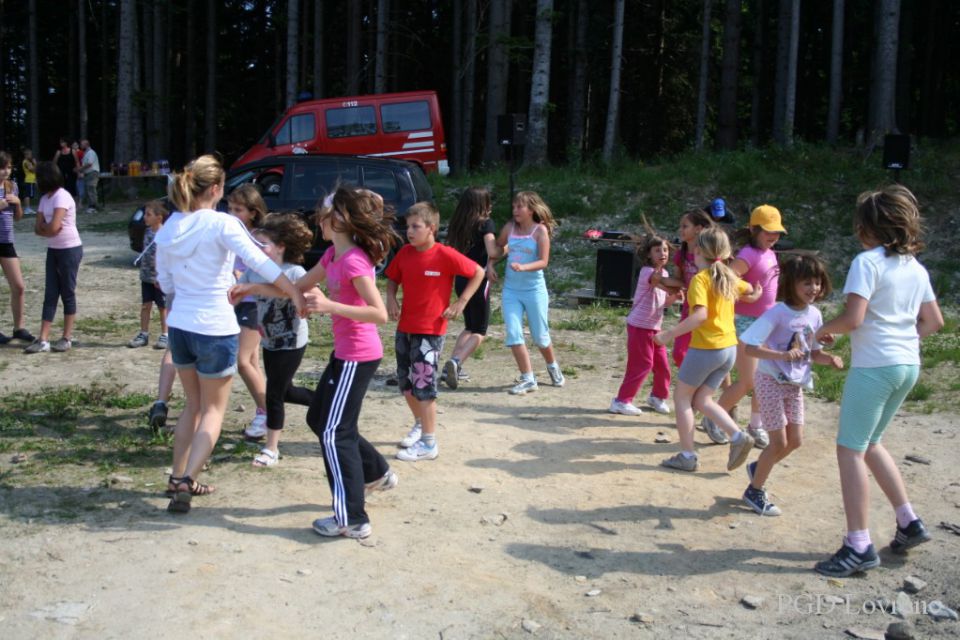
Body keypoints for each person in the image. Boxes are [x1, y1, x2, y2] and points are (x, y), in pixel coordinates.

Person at [156, 155, 305, 514]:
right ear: (218, 189)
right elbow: (262, 263)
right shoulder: (222, 223)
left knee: (192, 406)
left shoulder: (168, 227)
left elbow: (165, 283)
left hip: (180, 326)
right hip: (215, 327)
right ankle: (186, 481)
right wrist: (295, 292)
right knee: (213, 411)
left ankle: (177, 476)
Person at [813, 185, 943, 577]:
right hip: (907, 365)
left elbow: (853, 319)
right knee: (870, 443)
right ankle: (909, 522)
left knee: (849, 450)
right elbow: (934, 322)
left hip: (875, 368)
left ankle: (858, 545)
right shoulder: (915, 269)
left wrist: (819, 333)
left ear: (866, 227)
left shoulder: (866, 262)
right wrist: (900, 341)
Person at [290, 187, 401, 538]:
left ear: (337, 220)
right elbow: (298, 285)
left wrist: (329, 306)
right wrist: (250, 288)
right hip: (344, 355)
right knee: (320, 417)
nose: (317, 220)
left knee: (333, 432)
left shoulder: (353, 259)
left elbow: (379, 314)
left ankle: (352, 519)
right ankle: (376, 471)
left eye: (323, 213)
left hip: (358, 356)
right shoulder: (331, 257)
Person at [739, 254, 843, 516]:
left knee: (795, 441)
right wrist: (781, 356)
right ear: (792, 283)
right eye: (807, 283)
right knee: (777, 442)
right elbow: (751, 348)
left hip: (794, 384)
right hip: (770, 381)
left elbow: (813, 352)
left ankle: (760, 467)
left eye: (817, 282)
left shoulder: (815, 314)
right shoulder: (777, 313)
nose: (814, 288)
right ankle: (755, 491)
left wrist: (828, 358)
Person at [653, 226, 762, 472]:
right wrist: (755, 296)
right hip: (728, 349)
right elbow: (751, 292)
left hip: (706, 348)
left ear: (698, 250)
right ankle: (737, 436)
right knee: (702, 399)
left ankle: (687, 455)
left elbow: (700, 315)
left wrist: (669, 334)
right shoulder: (729, 276)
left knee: (682, 398)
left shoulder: (700, 280)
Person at [386, 201, 485, 461]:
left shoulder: (445, 254)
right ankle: (420, 424)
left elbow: (478, 271)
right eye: (408, 226)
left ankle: (429, 444)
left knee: (424, 385)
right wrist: (391, 298)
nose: (409, 231)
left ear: (431, 228)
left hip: (430, 330)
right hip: (404, 327)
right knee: (406, 383)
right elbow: (392, 278)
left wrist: (461, 302)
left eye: (415, 226)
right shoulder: (405, 253)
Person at [229, 214, 314, 468]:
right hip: (269, 341)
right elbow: (237, 287)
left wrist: (253, 289)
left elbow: (292, 290)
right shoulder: (254, 271)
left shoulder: (294, 271)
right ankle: (324, 400)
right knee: (285, 390)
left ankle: (271, 449)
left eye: (262, 244)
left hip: (292, 342)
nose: (257, 250)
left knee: (274, 393)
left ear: (280, 247)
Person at [704, 205, 787, 449]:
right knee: (749, 380)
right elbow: (725, 283)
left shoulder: (771, 253)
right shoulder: (748, 254)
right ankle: (714, 416)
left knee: (764, 379)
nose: (773, 236)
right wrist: (747, 297)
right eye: (768, 231)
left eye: (777, 232)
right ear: (753, 229)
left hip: (766, 323)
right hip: (745, 323)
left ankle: (756, 425)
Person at [497, 191, 565, 395]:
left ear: (531, 210)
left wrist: (523, 267)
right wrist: (490, 264)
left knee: (540, 336)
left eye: (520, 207)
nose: (515, 210)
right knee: (513, 333)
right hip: (511, 290)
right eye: (514, 206)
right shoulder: (509, 227)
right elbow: (498, 248)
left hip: (534, 290)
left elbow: (544, 261)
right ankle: (528, 378)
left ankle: (552, 366)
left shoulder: (540, 231)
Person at [609, 233, 682, 416]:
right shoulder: (648, 272)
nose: (662, 253)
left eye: (665, 250)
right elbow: (662, 284)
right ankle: (621, 401)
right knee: (642, 364)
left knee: (663, 366)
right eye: (657, 250)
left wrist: (674, 296)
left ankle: (657, 396)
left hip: (654, 327)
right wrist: (684, 284)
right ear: (649, 254)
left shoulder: (664, 273)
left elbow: (663, 302)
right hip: (639, 327)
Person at [441, 187, 502, 389]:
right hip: (478, 279)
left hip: (460, 278)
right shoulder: (485, 224)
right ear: (482, 205)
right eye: (488, 202)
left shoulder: (458, 224)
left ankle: (451, 366)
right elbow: (493, 250)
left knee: (469, 325)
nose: (491, 206)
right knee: (480, 330)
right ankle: (456, 361)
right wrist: (509, 246)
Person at [23, 162, 82, 354]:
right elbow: (38, 228)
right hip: (53, 249)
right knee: (50, 293)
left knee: (67, 292)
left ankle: (66, 337)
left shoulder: (62, 196)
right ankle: (43, 339)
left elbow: (53, 227)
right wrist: (48, 230)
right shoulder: (44, 199)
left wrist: (47, 230)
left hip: (69, 249)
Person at [226, 184, 270, 441]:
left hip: (256, 303)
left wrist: (244, 277)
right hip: (240, 302)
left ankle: (268, 413)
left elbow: (270, 270)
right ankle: (265, 411)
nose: (232, 214)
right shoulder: (233, 234)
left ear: (253, 212)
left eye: (238, 209)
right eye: (230, 208)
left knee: (242, 361)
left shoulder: (259, 238)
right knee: (252, 361)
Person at [656, 209, 715, 369]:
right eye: (680, 226)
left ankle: (721, 388)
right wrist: (660, 280)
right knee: (679, 352)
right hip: (690, 307)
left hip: (711, 308)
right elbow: (680, 281)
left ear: (698, 229)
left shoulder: (710, 252)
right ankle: (693, 384)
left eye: (685, 226)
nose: (680, 230)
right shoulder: (680, 255)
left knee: (714, 354)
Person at [0, 152, 34, 345]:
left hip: (7, 242)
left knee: (19, 286)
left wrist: (18, 204)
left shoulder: (12, 186)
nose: (6, 171)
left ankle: (19, 328)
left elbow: (17, 217)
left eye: (9, 167)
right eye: (2, 167)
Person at [128, 200, 169, 349]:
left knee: (162, 307)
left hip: (159, 278)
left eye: (148, 214)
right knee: (146, 305)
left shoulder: (165, 233)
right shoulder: (147, 232)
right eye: (145, 214)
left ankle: (165, 334)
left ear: (159, 217)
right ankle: (143, 333)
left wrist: (162, 275)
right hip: (146, 276)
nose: (145, 217)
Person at [78, 139, 101, 212]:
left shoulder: (91, 152)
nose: (81, 146)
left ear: (86, 145)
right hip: (87, 173)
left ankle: (94, 206)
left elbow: (89, 163)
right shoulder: (86, 153)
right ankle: (91, 205)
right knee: (88, 189)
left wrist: (80, 168)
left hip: (92, 172)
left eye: (82, 144)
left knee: (91, 188)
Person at [20, 148, 37, 214]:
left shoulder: (28, 161)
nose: (31, 156)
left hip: (31, 180)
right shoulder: (26, 162)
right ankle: (27, 209)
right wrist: (35, 164)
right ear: (26, 155)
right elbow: (32, 170)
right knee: (27, 195)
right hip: (29, 180)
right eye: (30, 155)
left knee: (28, 195)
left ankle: (28, 208)